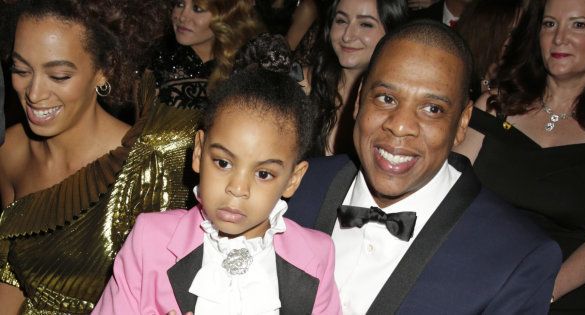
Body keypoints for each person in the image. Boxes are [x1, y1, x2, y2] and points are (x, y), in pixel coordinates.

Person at [286, 20, 562, 314]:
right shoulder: (289, 188)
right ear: (358, 100)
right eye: (386, 98)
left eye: (432, 109)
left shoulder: (517, 259)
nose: (401, 126)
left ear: (463, 122)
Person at [0, 0, 200, 312]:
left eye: (60, 75)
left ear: (104, 71)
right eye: (21, 70)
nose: (34, 93)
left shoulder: (153, 162)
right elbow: (10, 276)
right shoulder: (9, 152)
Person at [93, 67, 341, 314]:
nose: (237, 188)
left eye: (263, 174)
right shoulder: (151, 239)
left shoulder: (316, 256)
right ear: (199, 152)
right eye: (223, 163)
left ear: (293, 180)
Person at [455, 0, 585, 313]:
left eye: (578, 24)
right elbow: (448, 192)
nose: (559, 37)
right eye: (550, 24)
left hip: (561, 288)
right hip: (473, 269)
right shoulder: (495, 103)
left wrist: (537, 292)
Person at [305, 0, 407, 156]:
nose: (347, 36)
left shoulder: (400, 107)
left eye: (365, 24)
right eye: (341, 21)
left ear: (393, 32)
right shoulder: (302, 84)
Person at [151, 0, 264, 109]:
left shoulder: (249, 64)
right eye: (179, 4)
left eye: (198, 8)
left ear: (225, 14)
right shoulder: (154, 59)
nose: (182, 17)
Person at [455, 0, 524, 99]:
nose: (516, 40)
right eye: (510, 32)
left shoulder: (520, 82)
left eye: (520, 33)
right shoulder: (459, 77)